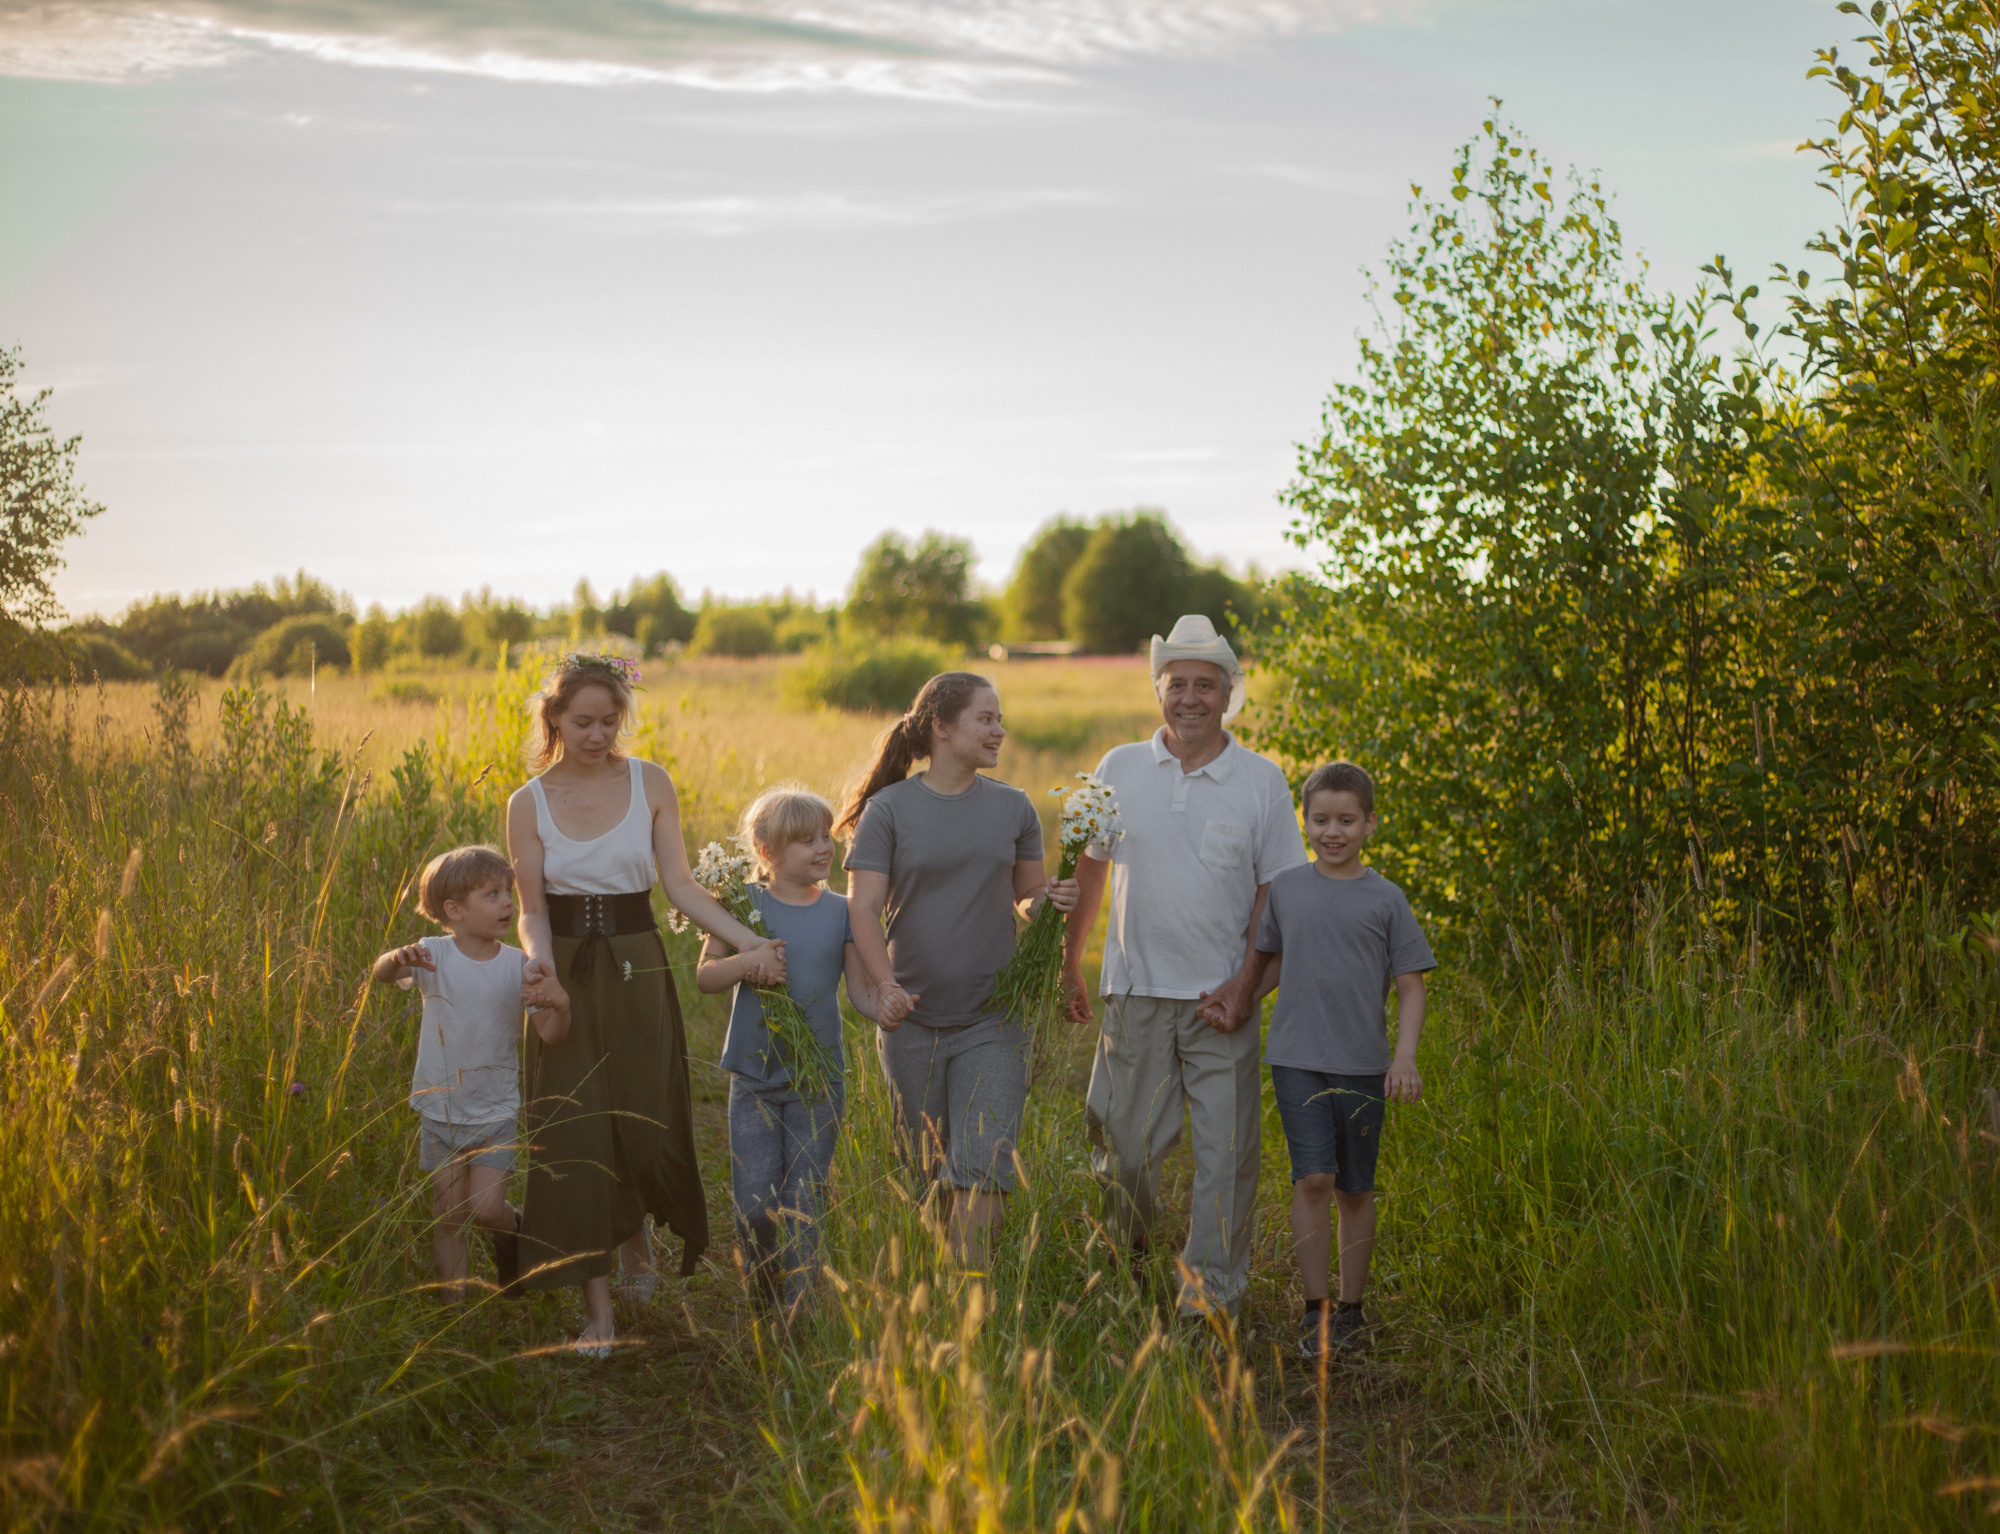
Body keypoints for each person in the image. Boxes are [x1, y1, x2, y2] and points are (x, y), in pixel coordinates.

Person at [508, 653, 786, 1358]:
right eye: (583, 722)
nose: (599, 735)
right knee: (574, 1122)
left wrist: (751, 943)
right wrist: (540, 967)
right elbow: (530, 908)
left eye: (609, 721)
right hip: (564, 970)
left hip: (636, 962)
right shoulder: (528, 801)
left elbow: (682, 887)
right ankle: (595, 1309)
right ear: (554, 720)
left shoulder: (650, 782)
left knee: (640, 1108)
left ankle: (639, 1245)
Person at [1062, 613, 1308, 1321]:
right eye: (1178, 684)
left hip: (1221, 999)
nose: (1191, 697)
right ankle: (1123, 1265)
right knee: (1126, 1153)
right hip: (1135, 991)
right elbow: (1088, 866)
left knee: (1225, 1163)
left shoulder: (1261, 781)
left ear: (1229, 694)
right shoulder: (1118, 767)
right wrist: (1073, 962)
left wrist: (1246, 986)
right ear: (1158, 690)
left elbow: (1275, 892)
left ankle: (1209, 1302)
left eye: (1207, 684)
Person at [838, 671, 1078, 1269]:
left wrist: (1051, 900)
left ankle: (970, 1303)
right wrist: (884, 987)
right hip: (911, 1018)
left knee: (984, 1164)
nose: (1000, 729)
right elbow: (862, 908)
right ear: (942, 728)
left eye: (1000, 718)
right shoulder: (888, 810)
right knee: (927, 1169)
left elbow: (1027, 896)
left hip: (994, 1018)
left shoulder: (1014, 808)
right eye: (986, 718)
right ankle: (943, 1290)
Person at [1243, 761, 1434, 1357]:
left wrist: (1403, 1059)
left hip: (1362, 1063)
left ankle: (1352, 1309)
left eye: (1346, 820)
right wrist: (1236, 999)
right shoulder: (1290, 889)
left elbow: (1411, 984)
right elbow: (1271, 962)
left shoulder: (1386, 898)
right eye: (1321, 820)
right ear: (1305, 822)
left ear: (1370, 823)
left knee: (1354, 1188)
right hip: (1297, 1056)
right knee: (1314, 1178)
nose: (1333, 831)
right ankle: (1315, 1307)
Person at [698, 786, 880, 1317]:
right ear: (767, 851)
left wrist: (886, 1005)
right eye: (806, 841)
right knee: (755, 1202)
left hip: (818, 1075)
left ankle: (800, 1310)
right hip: (753, 1075)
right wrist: (748, 959)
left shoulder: (844, 911)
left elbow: (861, 991)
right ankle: (763, 1296)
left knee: (804, 1199)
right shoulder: (740, 905)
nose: (824, 848)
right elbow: (707, 976)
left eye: (826, 837)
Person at [369, 845, 570, 1305]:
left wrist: (562, 1007)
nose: (507, 903)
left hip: (495, 1108)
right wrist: (395, 959)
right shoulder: (432, 956)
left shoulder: (519, 965)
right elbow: (381, 974)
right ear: (454, 911)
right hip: (441, 1109)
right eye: (492, 894)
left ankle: (511, 1231)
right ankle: (453, 1310)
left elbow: (551, 1034)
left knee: (485, 1208)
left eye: (508, 892)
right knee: (448, 1212)